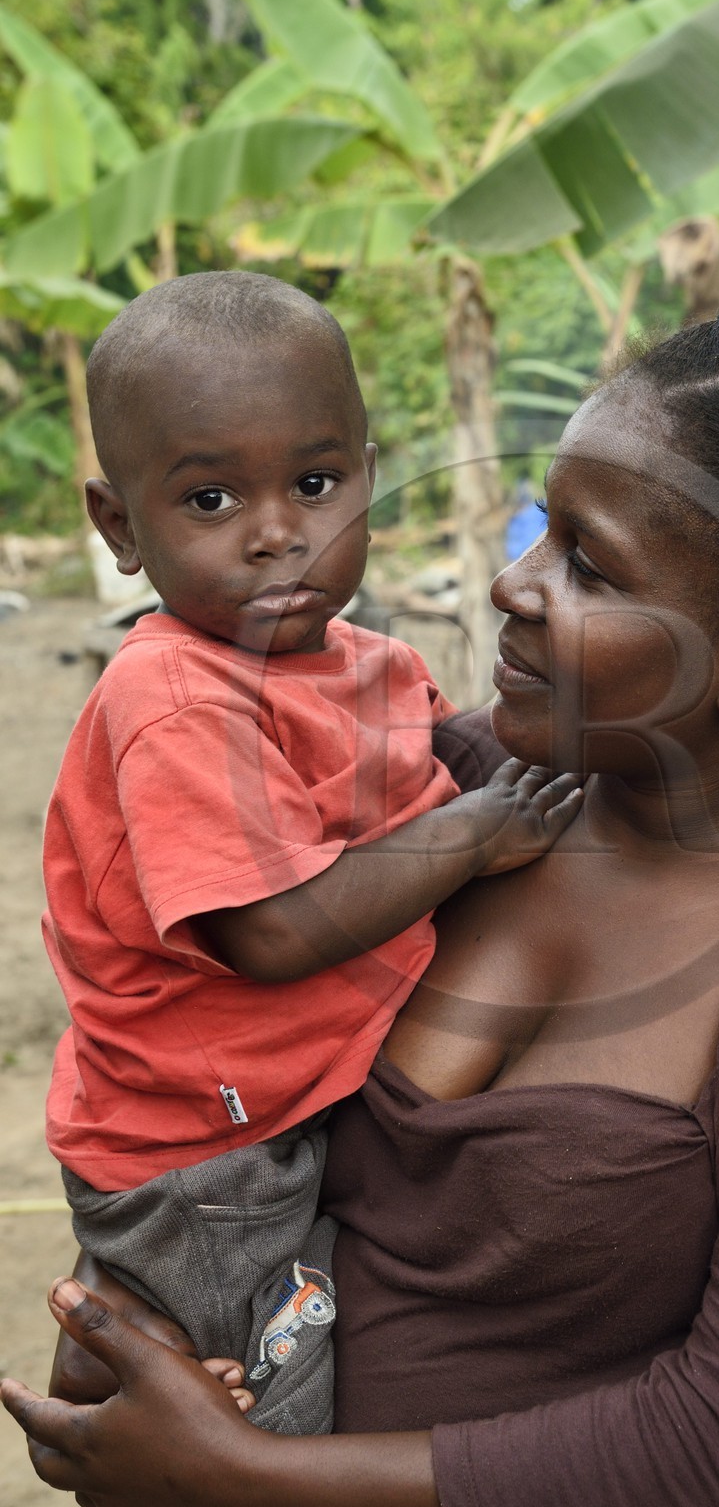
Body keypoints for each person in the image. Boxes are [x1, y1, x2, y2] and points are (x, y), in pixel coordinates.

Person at [4, 292, 719, 1507]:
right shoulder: (438, 786)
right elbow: (204, 1065)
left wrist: (246, 1482)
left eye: (588, 566)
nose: (508, 582)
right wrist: (141, 1326)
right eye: (542, 526)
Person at [39, 272, 582, 1436]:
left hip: (286, 1098)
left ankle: (133, 1320)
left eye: (317, 483)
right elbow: (270, 931)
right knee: (274, 1409)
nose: (278, 530)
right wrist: (470, 835)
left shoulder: (362, 661)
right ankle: (114, 1362)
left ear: (370, 479)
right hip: (204, 1152)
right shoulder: (174, 697)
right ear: (118, 526)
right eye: (211, 498)